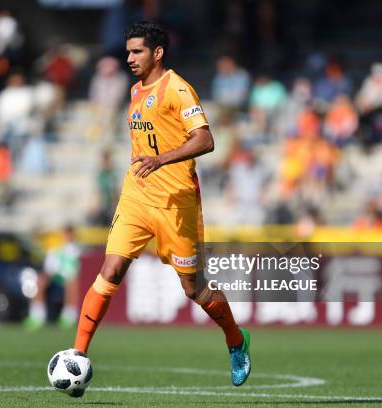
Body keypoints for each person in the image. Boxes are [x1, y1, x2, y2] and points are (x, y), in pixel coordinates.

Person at [67, 21, 251, 397]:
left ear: (158, 53)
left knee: (192, 287)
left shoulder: (178, 89)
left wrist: (162, 158)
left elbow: (206, 138)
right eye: (128, 50)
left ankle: (235, 340)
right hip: (136, 195)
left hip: (176, 202)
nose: (129, 57)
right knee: (111, 269)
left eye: (137, 51)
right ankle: (78, 354)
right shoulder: (135, 90)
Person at [26, 225, 82, 330]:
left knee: (72, 284)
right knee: (39, 282)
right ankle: (37, 316)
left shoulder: (75, 249)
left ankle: (69, 316)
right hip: (55, 275)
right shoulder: (56, 247)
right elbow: (50, 267)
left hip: (68, 277)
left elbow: (74, 270)